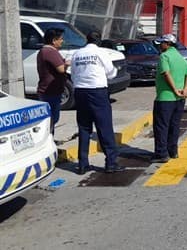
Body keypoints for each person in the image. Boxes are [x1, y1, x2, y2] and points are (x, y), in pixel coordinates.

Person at [71, 31, 124, 174]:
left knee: (84, 128)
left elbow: (73, 73)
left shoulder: (77, 54)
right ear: (98, 41)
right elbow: (111, 72)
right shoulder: (100, 53)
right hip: (97, 92)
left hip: (80, 92)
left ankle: (83, 164)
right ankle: (111, 162)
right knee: (104, 127)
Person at [151, 33, 187, 163]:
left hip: (165, 98)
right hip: (180, 99)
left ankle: (161, 154)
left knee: (161, 127)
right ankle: (173, 151)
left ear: (167, 44)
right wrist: (184, 90)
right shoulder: (180, 57)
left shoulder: (164, 56)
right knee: (174, 126)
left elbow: (166, 74)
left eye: (161, 43)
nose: (159, 46)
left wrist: (174, 90)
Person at [36, 28, 68, 135]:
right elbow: (61, 69)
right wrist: (67, 64)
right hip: (49, 92)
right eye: (61, 39)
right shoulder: (50, 52)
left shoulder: (45, 51)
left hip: (50, 91)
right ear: (54, 40)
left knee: (51, 120)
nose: (62, 41)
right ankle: (49, 141)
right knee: (51, 120)